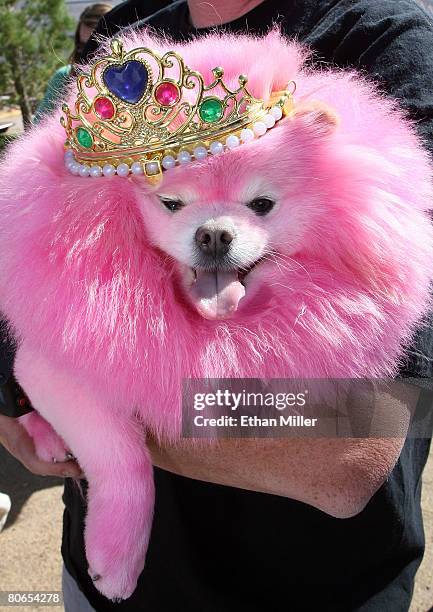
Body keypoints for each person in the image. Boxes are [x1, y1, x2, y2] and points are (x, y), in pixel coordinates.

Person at [1, 0, 433, 610]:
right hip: (104, 587)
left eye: (258, 204)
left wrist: (99, 414)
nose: (215, 234)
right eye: (174, 204)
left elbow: (350, 445)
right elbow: (30, 243)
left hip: (314, 588)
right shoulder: (131, 33)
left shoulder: (384, 34)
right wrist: (17, 385)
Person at [33, 3, 112, 123]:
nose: (89, 55)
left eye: (96, 47)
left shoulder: (139, 79)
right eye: (83, 46)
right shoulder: (64, 77)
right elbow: (38, 130)